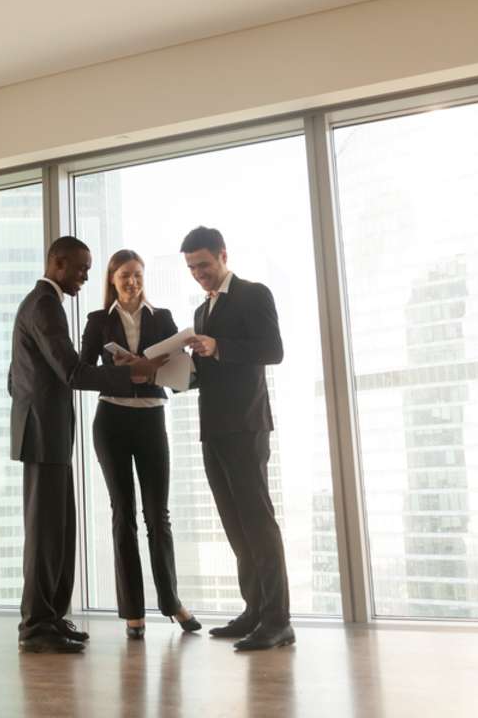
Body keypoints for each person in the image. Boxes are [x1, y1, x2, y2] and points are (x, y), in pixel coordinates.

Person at [9, 236, 167, 654]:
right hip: (43, 435)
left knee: (60, 531)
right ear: (57, 262)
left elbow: (15, 378)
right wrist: (133, 375)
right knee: (45, 535)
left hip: (48, 432)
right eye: (80, 268)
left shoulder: (43, 304)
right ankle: (36, 627)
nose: (85, 276)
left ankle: (51, 618)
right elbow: (73, 373)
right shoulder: (44, 305)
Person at [181, 226, 294, 651]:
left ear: (223, 255)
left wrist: (219, 346)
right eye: (192, 268)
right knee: (234, 523)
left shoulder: (253, 293)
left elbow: (273, 349)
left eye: (204, 265)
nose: (199, 274)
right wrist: (181, 370)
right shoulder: (199, 312)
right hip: (213, 427)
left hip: (246, 425)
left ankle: (278, 620)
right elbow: (209, 369)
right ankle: (254, 610)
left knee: (258, 522)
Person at [79, 249, 200, 639]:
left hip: (150, 418)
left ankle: (172, 603)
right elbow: (81, 373)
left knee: (157, 515)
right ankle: (133, 611)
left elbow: (183, 370)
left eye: (137, 275)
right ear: (112, 279)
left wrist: (148, 369)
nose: (132, 281)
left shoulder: (162, 318)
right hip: (111, 421)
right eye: (124, 275)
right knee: (123, 515)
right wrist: (119, 371)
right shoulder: (98, 322)